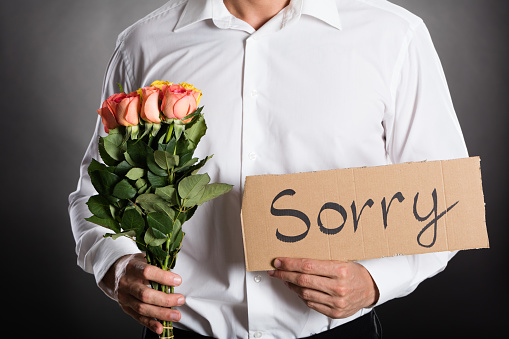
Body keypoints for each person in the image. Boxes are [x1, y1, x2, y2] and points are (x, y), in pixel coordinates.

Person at [69, 0, 469, 338]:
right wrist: (117, 265)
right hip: (183, 330)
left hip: (335, 330)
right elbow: (95, 190)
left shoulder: (392, 34)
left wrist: (376, 282)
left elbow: (446, 197)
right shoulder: (144, 43)